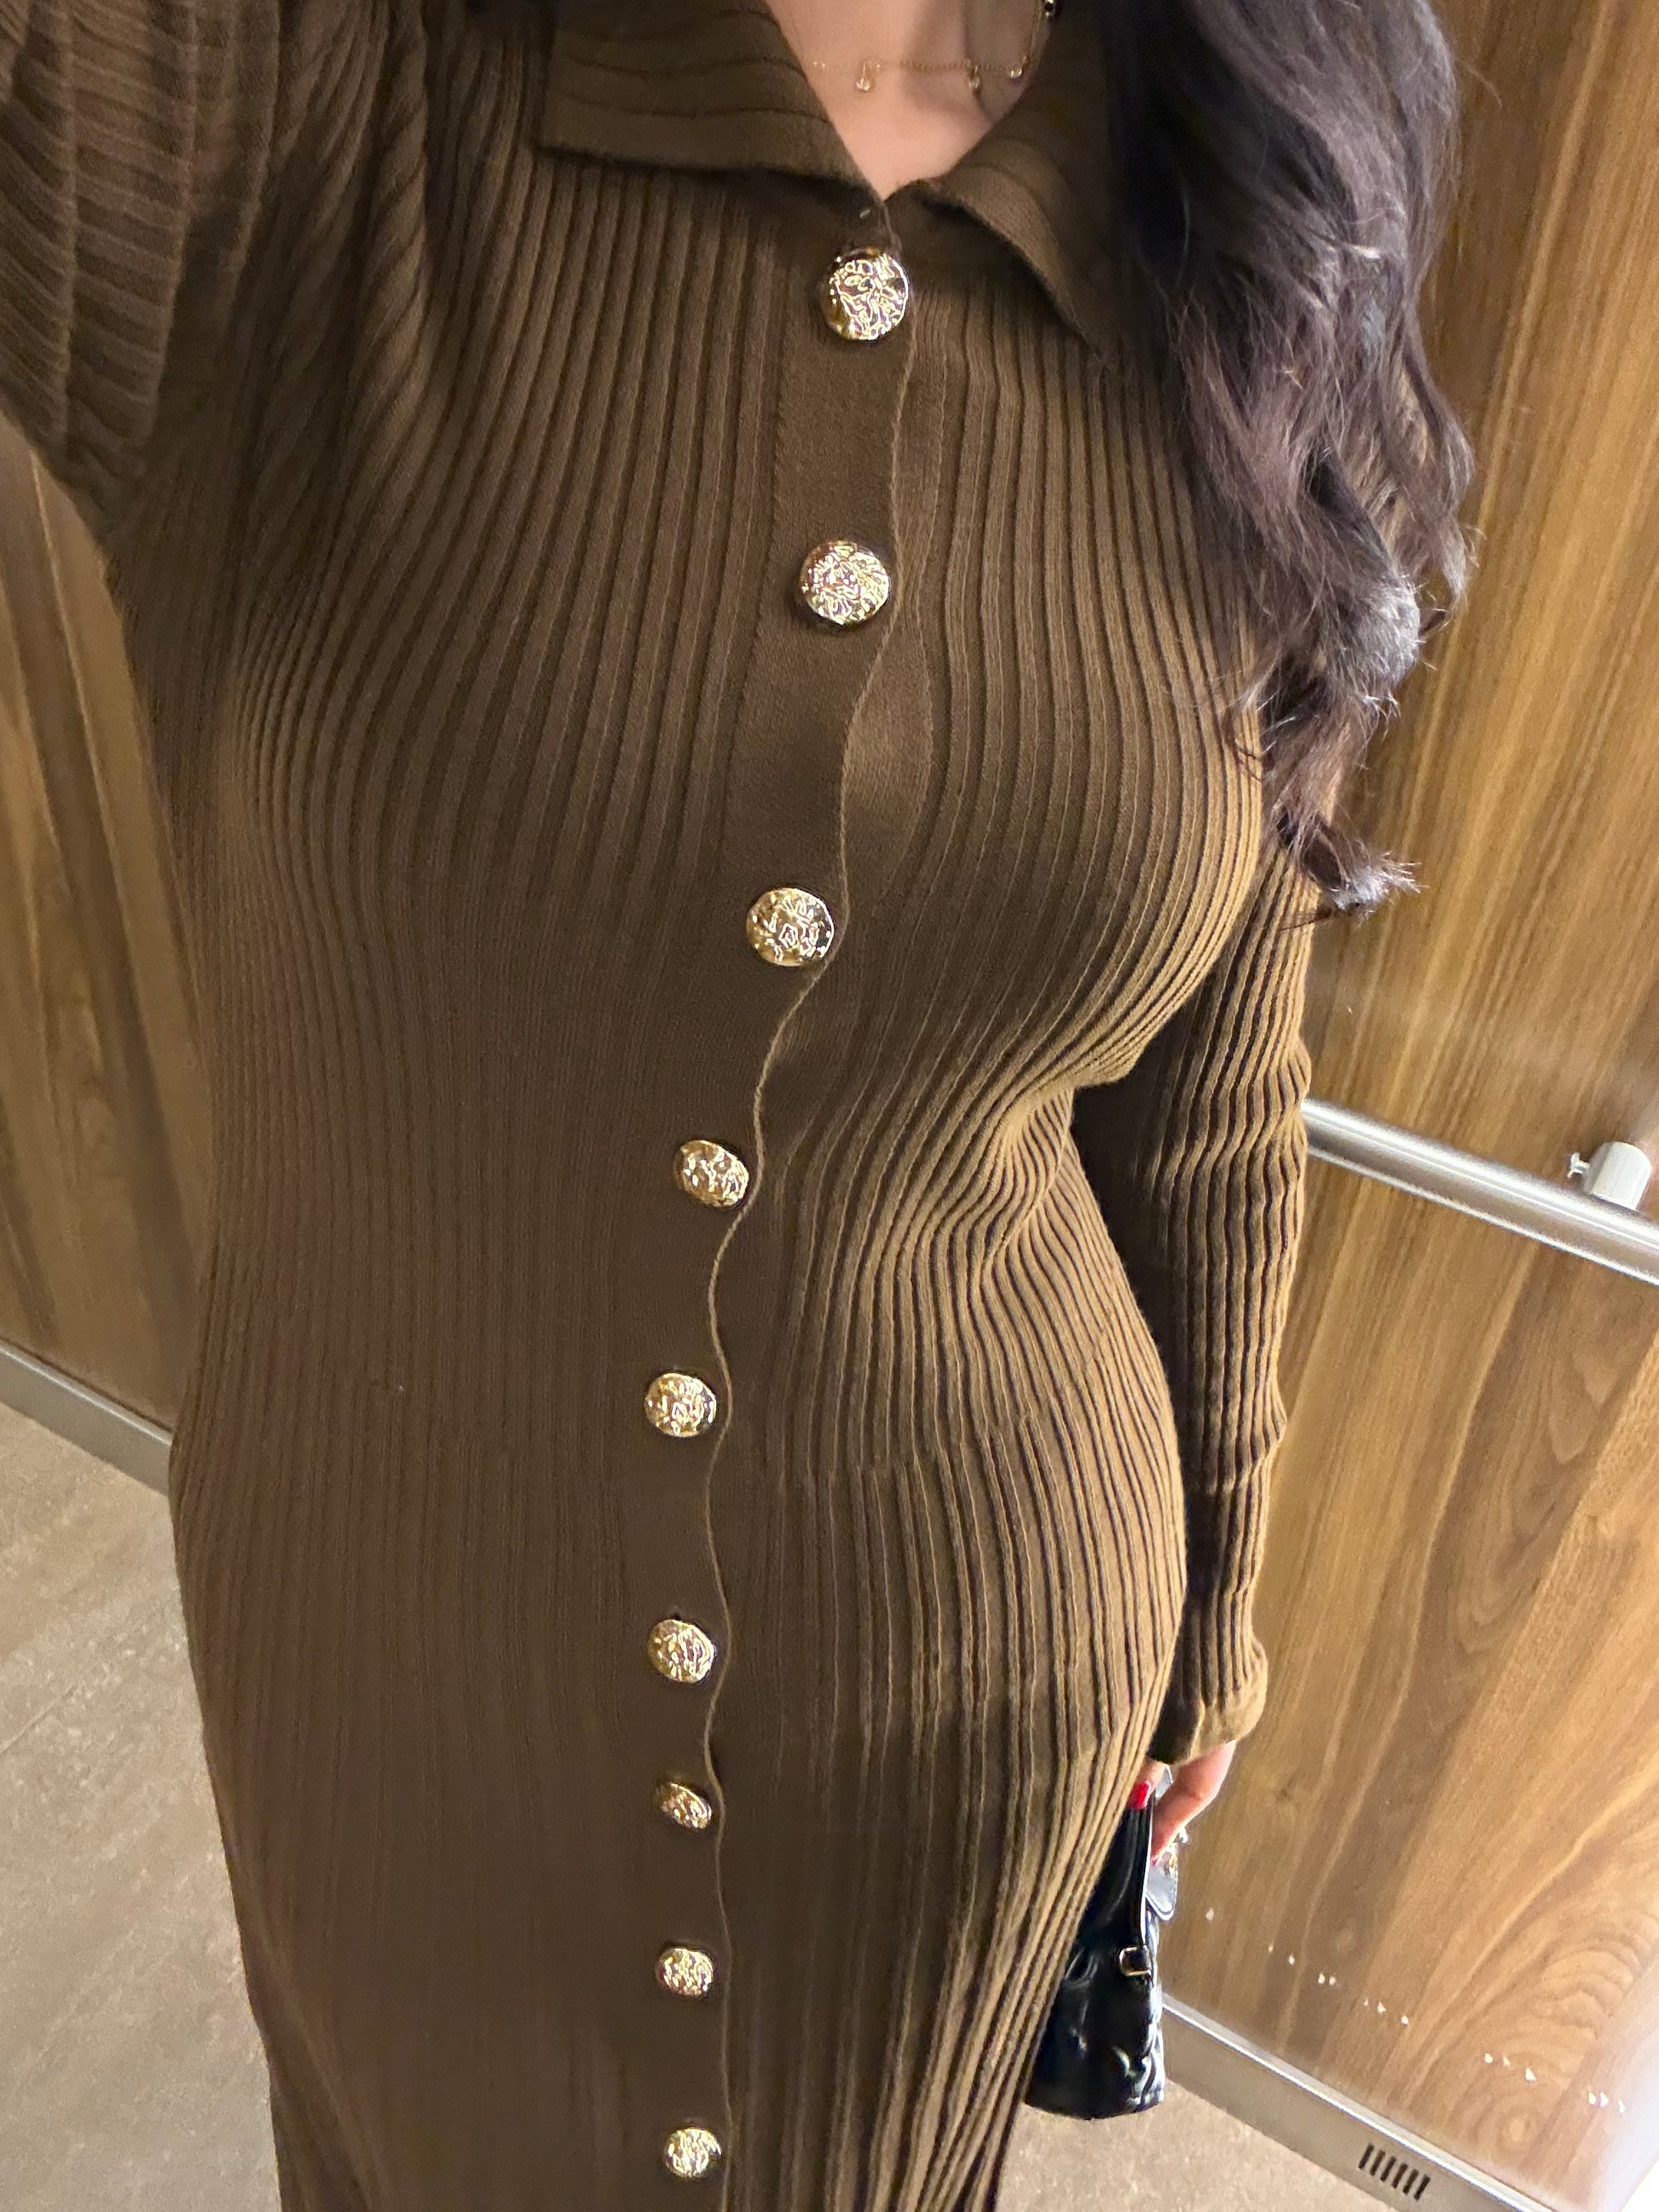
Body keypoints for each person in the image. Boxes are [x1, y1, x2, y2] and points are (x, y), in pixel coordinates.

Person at [0, 0, 1473, 2203]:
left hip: (967, 1695)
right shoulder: (298, 99)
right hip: (398, 1687)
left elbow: (1214, 1048)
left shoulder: (1249, 187)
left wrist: (1210, 1605)